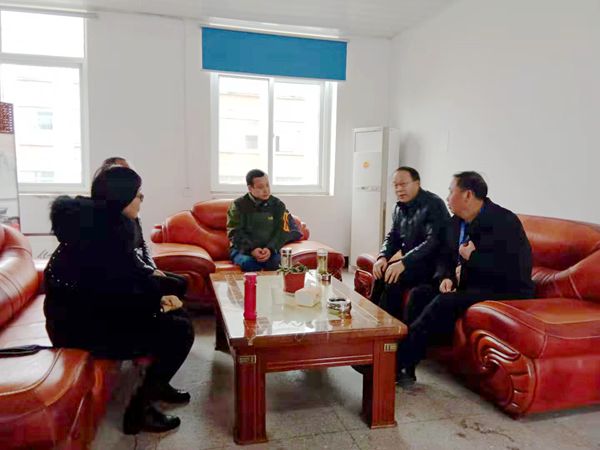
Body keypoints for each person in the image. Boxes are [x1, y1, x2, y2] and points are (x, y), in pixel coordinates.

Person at [43, 166, 195, 434]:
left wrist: (158, 297)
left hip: (90, 314)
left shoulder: (99, 224)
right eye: (138, 194)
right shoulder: (104, 235)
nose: (142, 199)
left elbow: (124, 280)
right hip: (79, 329)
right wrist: (158, 302)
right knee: (180, 330)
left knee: (177, 311)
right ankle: (138, 413)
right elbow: (120, 290)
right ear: (121, 198)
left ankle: (158, 385)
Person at [395, 171, 534, 386]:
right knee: (419, 294)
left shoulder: (504, 221)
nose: (447, 197)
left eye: (451, 191)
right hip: (468, 284)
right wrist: (446, 277)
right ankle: (408, 367)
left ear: (467, 195)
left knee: (444, 302)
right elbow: (444, 256)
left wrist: (473, 258)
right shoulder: (456, 222)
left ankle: (397, 360)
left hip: (503, 289)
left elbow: (515, 269)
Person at [95, 157, 188, 299]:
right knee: (174, 285)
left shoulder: (131, 214)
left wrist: (152, 268)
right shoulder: (108, 221)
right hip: (127, 277)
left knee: (181, 282)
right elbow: (125, 258)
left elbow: (142, 245)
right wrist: (149, 272)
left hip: (137, 269)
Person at [371, 167, 449, 323]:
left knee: (393, 278)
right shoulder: (398, 207)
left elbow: (433, 241)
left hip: (432, 266)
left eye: (403, 184)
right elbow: (393, 236)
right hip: (412, 263)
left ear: (417, 183)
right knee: (381, 273)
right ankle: (371, 320)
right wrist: (382, 257)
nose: (399, 189)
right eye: (395, 185)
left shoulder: (433, 204)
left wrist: (404, 262)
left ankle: (391, 328)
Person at [227, 169, 299, 271]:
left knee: (278, 263)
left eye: (267, 185)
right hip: (243, 250)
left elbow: (283, 230)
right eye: (260, 187)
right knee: (249, 264)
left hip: (269, 250)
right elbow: (234, 233)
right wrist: (252, 249)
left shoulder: (278, 204)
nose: (266, 190)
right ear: (250, 188)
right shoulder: (238, 205)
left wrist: (270, 249)